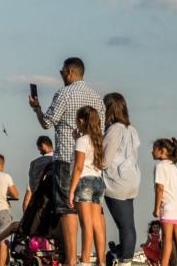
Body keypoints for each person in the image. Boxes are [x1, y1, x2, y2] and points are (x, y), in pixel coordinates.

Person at [29, 57, 104, 266]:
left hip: (66, 158)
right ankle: (97, 258)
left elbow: (47, 123)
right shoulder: (97, 98)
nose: (61, 74)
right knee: (94, 209)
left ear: (70, 72)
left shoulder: (64, 93)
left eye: (62, 71)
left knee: (67, 208)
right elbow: (102, 129)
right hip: (93, 162)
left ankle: (72, 260)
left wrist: (36, 108)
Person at [102, 94, 141, 265]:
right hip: (131, 179)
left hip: (115, 181)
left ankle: (125, 260)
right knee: (128, 225)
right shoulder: (131, 129)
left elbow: (105, 160)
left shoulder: (114, 130)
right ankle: (124, 256)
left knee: (124, 227)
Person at [68, 106, 107, 266]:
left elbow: (78, 166)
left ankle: (84, 260)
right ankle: (101, 260)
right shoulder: (97, 140)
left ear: (82, 121)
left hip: (84, 181)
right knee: (97, 222)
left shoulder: (82, 141)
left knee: (86, 224)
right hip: (98, 181)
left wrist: (71, 191)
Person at [152, 138, 177, 266]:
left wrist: (156, 208)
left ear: (162, 151)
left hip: (169, 206)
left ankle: (164, 263)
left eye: (154, 149)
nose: (151, 152)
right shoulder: (174, 167)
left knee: (166, 237)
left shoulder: (160, 166)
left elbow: (160, 189)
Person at [23, 136, 54, 213]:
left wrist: (26, 215)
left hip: (41, 205)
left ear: (43, 145)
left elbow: (29, 192)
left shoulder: (35, 164)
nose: (39, 152)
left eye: (39, 149)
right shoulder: (61, 160)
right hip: (57, 204)